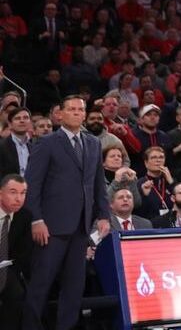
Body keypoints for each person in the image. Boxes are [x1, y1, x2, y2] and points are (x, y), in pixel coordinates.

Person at [22, 95, 111, 330]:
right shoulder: (47, 143)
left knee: (74, 286)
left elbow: (98, 184)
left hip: (81, 226)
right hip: (51, 227)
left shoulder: (93, 143)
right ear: (59, 114)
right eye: (71, 109)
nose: (76, 113)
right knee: (41, 284)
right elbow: (33, 185)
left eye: (80, 110)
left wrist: (103, 214)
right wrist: (37, 219)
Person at [1, 174, 36, 330]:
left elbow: (22, 254)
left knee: (17, 294)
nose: (19, 198)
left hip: (7, 269)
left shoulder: (25, 216)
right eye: (13, 192)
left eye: (23, 193)